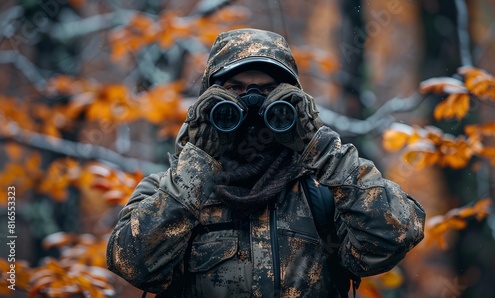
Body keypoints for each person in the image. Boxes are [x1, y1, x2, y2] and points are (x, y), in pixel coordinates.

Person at [106, 28, 426, 298]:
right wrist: (197, 164)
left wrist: (321, 148)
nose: (254, 102)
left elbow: (392, 237)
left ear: (295, 100)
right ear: (208, 100)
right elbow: (132, 263)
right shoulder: (174, 188)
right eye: (235, 90)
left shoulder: (324, 191)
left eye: (270, 91)